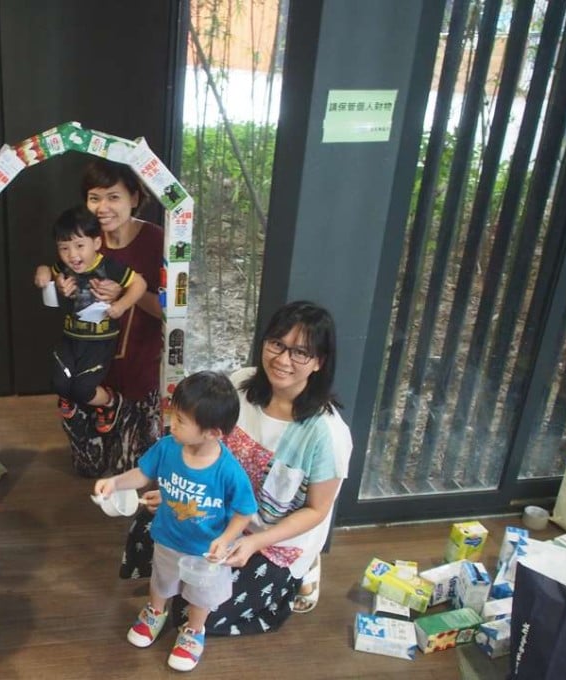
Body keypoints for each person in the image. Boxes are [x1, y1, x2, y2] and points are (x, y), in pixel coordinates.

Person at [121, 301, 353, 633]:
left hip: (271, 539)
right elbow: (204, 446)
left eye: (300, 353)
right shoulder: (242, 385)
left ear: (319, 362)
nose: (283, 360)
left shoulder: (326, 434)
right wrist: (178, 487)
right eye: (277, 344)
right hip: (217, 511)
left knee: (199, 612)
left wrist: (257, 542)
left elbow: (317, 510)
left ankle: (303, 571)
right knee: (150, 526)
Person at [95, 371, 257, 672]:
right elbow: (143, 474)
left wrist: (227, 537)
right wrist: (116, 482)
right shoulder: (168, 447)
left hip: (205, 552)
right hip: (168, 538)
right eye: (174, 414)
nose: (172, 423)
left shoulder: (229, 471)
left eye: (181, 420)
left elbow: (245, 510)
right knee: (161, 581)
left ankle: (194, 631)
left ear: (212, 433)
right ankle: (155, 612)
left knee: (201, 596)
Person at [59, 159, 165, 476]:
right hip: (91, 365)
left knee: (130, 471)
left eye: (113, 197)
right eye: (94, 198)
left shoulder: (158, 240)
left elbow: (166, 311)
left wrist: (124, 294)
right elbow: (61, 281)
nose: (102, 207)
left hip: (137, 364)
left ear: (134, 197)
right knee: (88, 467)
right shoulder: (83, 240)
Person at [34, 206, 147, 427]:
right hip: (70, 337)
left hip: (100, 342)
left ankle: (110, 403)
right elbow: (47, 269)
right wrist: (43, 273)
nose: (72, 255)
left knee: (83, 388)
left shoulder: (109, 266)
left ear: (96, 243)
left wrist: (122, 305)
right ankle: (69, 399)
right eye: (64, 248)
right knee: (58, 382)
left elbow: (139, 284)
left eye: (79, 246)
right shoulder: (64, 266)